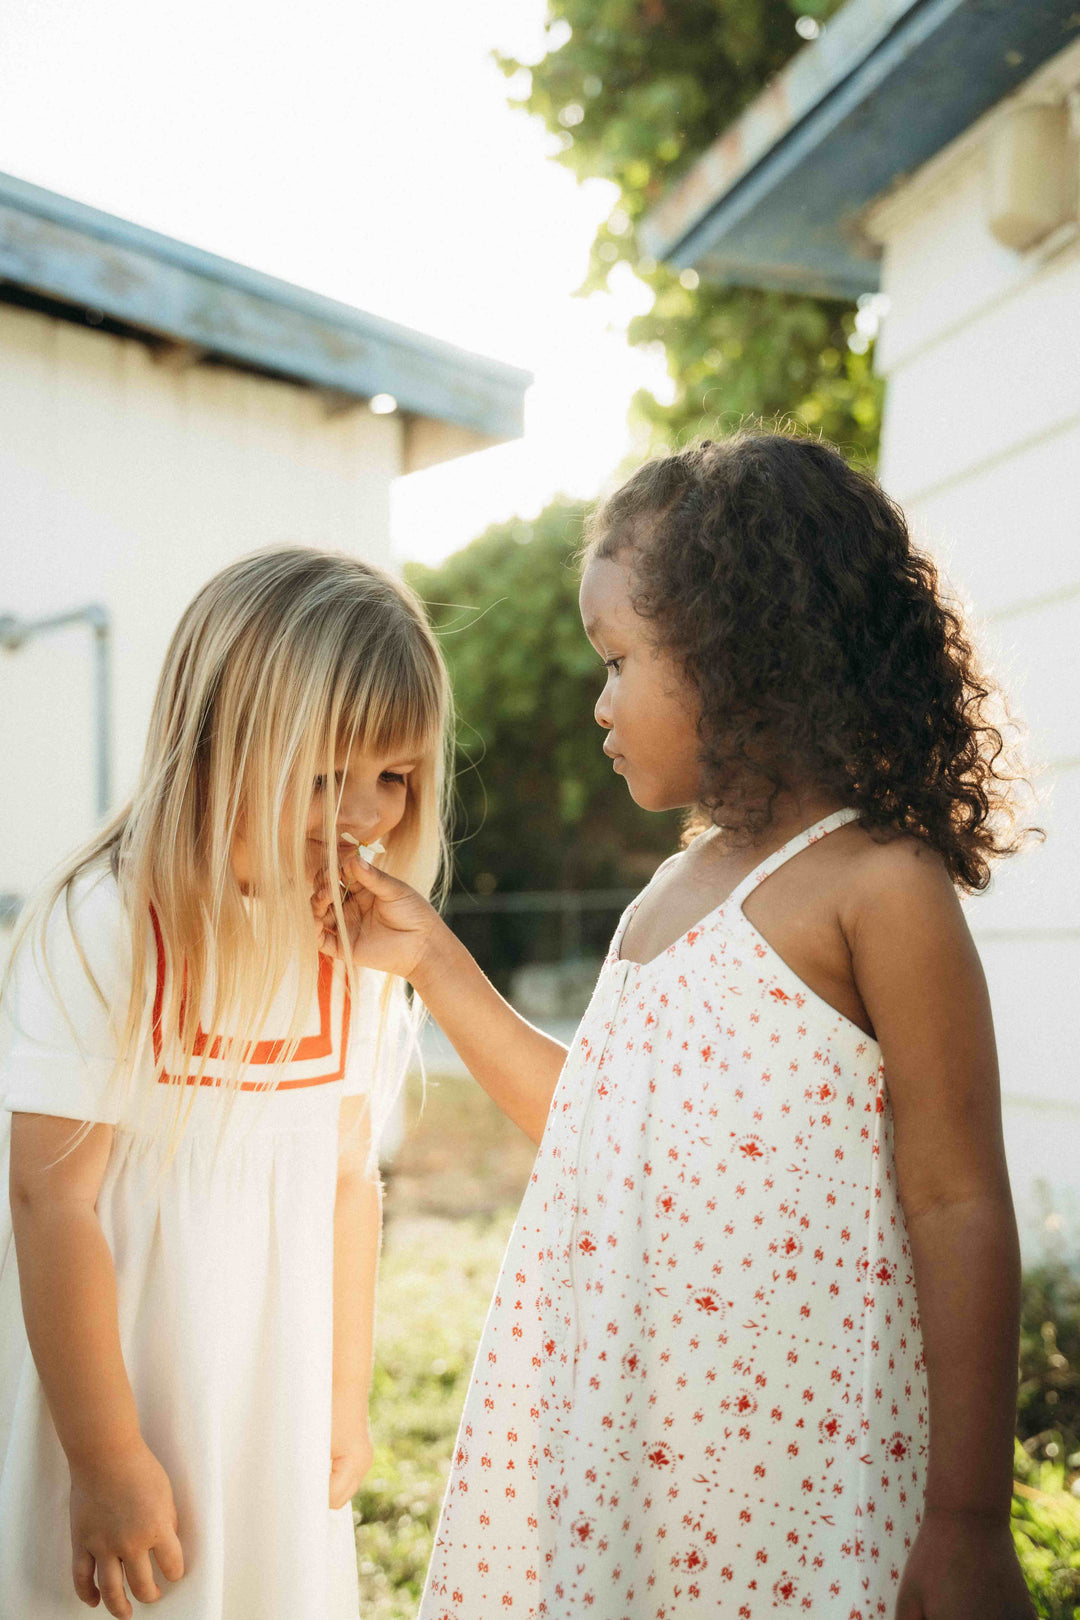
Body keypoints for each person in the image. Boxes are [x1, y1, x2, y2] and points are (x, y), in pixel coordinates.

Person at [322, 434, 1038, 1619]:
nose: (598, 700)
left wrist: (966, 1521)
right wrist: (433, 963)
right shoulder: (675, 889)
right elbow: (594, 1124)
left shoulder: (879, 887)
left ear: (736, 657)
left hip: (791, 1475)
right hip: (639, 1444)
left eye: (617, 660)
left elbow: (960, 1201)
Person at [0, 546, 451, 1620]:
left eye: (395, 775)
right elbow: (49, 1198)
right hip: (123, 1398)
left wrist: (342, 1401)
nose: (364, 814)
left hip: (275, 1400)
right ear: (217, 744)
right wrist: (107, 1458)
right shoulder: (109, 924)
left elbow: (350, 1182)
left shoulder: (361, 950)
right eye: (322, 776)